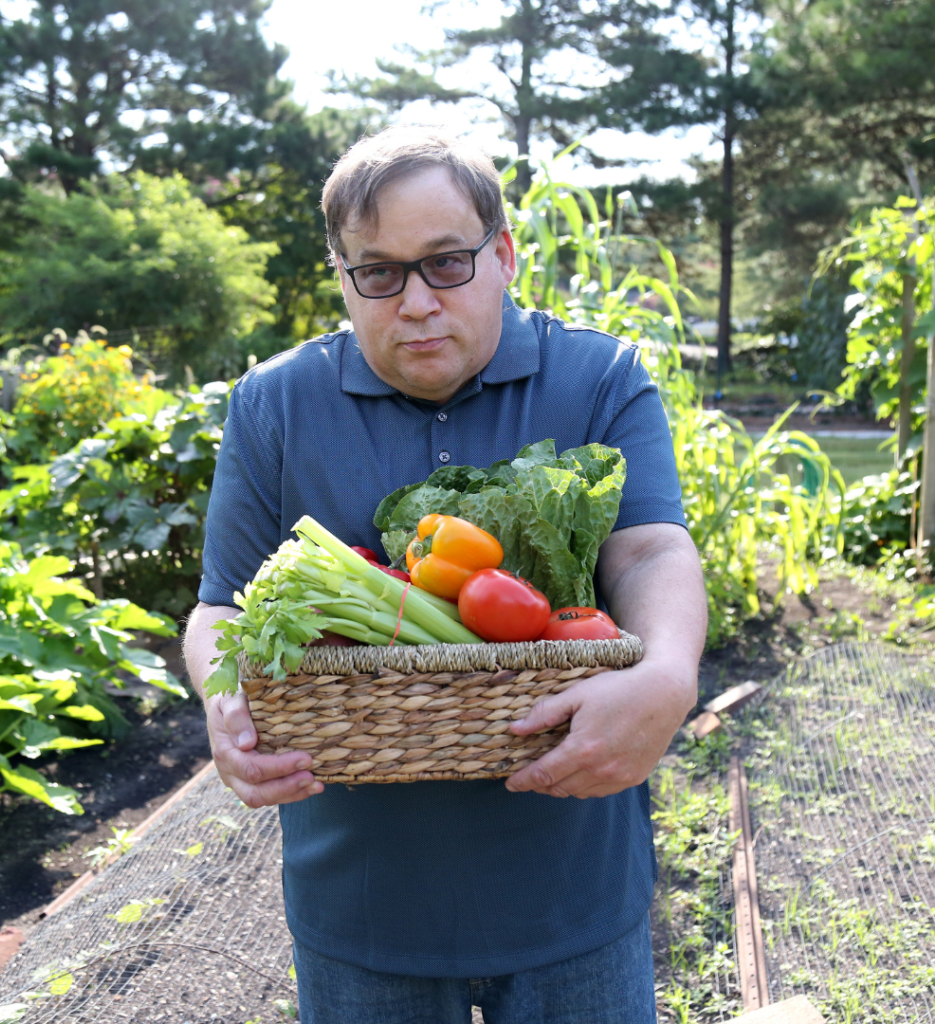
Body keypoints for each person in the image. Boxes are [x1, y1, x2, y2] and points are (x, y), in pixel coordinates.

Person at [184, 125, 707, 1024]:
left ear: (503, 255)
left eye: (448, 263)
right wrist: (221, 702)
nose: (417, 302)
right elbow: (221, 607)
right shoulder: (274, 403)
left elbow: (650, 548)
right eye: (377, 272)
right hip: (359, 904)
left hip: (573, 890)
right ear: (342, 277)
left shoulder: (599, 375)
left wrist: (668, 674)